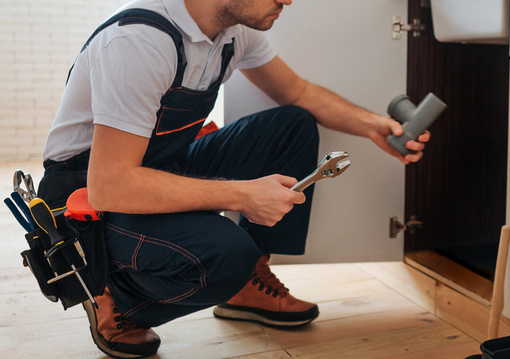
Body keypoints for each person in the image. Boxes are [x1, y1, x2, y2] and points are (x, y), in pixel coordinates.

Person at [40, 0, 430, 358]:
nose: (289, 0)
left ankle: (248, 285)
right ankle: (118, 295)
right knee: (227, 255)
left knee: (291, 125)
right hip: (86, 197)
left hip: (157, 164)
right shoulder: (139, 42)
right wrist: (241, 195)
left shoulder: (233, 33)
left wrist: (374, 126)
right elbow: (112, 186)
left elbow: (299, 92)